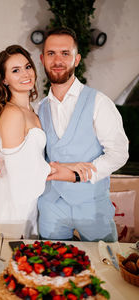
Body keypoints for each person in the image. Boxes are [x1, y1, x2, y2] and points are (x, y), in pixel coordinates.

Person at [37, 27, 129, 242]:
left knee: (106, 268)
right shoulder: (37, 108)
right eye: (51, 53)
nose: (57, 60)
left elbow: (119, 153)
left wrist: (78, 175)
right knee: (50, 271)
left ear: (77, 59)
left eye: (65, 53)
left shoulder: (99, 102)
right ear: (42, 59)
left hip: (92, 207)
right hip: (50, 207)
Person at [0, 45, 52, 238]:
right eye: (15, 70)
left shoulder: (31, 110)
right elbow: (16, 173)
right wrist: (56, 170)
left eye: (27, 66)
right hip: (16, 204)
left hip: (31, 198)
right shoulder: (13, 113)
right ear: (4, 79)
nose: (25, 74)